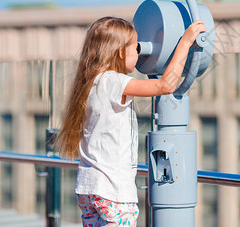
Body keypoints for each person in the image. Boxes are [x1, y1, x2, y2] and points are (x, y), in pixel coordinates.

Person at [55, 16, 206, 227]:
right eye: (135, 48)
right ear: (120, 52)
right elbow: (165, 85)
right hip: (113, 191)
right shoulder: (114, 82)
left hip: (88, 190)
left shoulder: (90, 82)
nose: (140, 52)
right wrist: (185, 42)